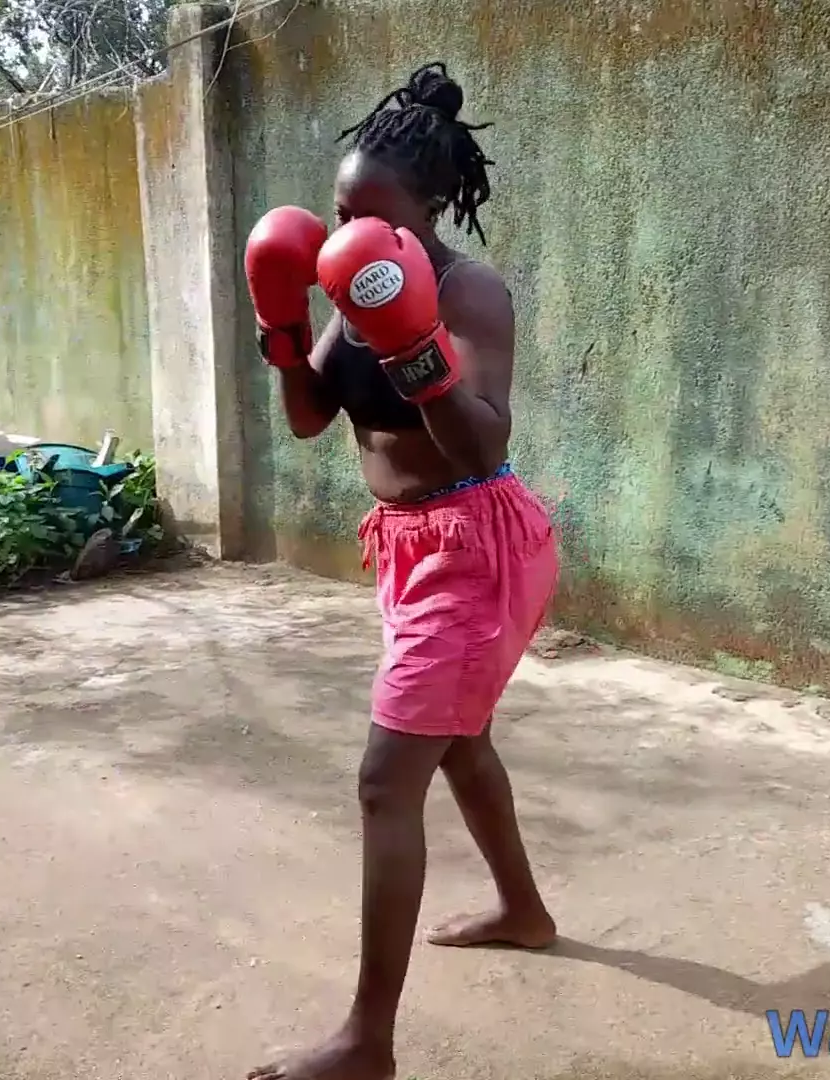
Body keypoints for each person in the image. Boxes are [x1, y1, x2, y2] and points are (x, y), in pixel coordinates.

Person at [242, 63, 559, 1080]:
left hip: (475, 545)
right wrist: (287, 330)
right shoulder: (349, 278)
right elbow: (309, 419)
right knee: (459, 744)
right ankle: (523, 910)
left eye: (376, 220)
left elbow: (481, 442)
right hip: (407, 548)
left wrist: (417, 344)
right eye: (342, 214)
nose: (352, 234)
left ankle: (365, 1042)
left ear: (430, 210)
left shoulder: (469, 293)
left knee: (387, 782)